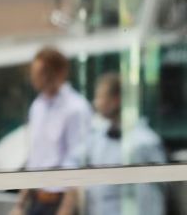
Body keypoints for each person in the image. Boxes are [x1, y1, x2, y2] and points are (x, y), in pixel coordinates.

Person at [12, 47, 91, 215]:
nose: (34, 78)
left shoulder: (76, 108)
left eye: (40, 73)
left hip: (60, 201)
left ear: (59, 73)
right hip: (36, 199)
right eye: (34, 73)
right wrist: (20, 204)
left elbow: (75, 162)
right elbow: (34, 157)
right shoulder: (37, 106)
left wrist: (66, 209)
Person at [78, 73, 166, 215]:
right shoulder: (98, 137)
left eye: (100, 97)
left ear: (116, 100)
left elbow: (151, 198)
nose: (96, 103)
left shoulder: (144, 143)